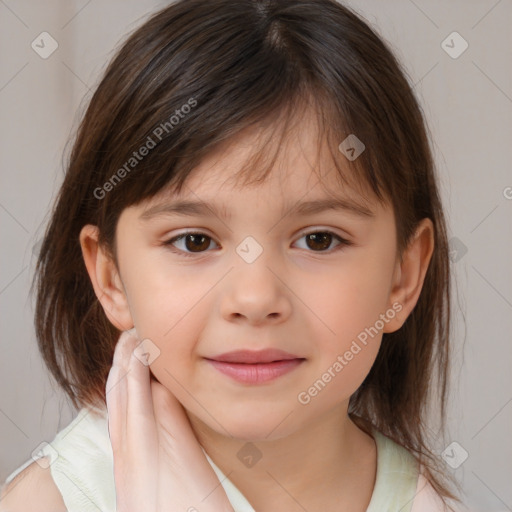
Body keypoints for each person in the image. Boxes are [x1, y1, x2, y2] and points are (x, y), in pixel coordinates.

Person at [0, 0, 467, 510]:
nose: (255, 298)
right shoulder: (52, 501)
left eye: (318, 239)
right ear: (110, 277)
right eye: (194, 241)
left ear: (403, 276)